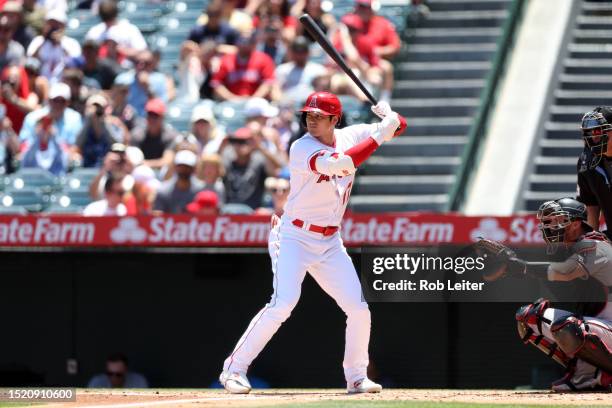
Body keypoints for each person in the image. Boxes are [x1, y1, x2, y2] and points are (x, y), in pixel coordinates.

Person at [218, 91, 406, 394]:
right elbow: (344, 165)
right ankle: (233, 370)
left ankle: (357, 377)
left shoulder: (351, 135)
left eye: (319, 116)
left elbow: (400, 127)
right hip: (294, 235)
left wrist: (391, 117)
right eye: (309, 115)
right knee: (283, 303)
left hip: (330, 240)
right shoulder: (301, 147)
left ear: (335, 119)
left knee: (359, 309)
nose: (311, 121)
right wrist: (382, 134)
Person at [474, 197, 612, 391]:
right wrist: (511, 269)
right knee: (530, 317)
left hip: (609, 327)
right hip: (600, 327)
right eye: (548, 222)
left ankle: (605, 373)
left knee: (567, 327)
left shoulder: (595, 244)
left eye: (557, 221)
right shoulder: (572, 248)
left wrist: (519, 266)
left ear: (575, 224)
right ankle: (585, 376)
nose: (550, 227)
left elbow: (565, 272)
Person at [221, 126, 283, 209]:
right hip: (228, 208)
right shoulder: (227, 157)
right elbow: (208, 171)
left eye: (244, 142)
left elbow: (277, 169)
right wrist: (221, 147)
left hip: (252, 210)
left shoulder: (259, 159)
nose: (240, 145)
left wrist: (260, 147)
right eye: (237, 141)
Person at [577, 107, 612, 238]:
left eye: (598, 131)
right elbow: (590, 207)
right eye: (589, 132)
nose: (594, 137)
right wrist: (591, 245)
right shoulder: (586, 163)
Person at [210, 32, 276, 102]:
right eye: (242, 41)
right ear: (237, 43)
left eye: (249, 42)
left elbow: (268, 83)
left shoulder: (264, 59)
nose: (245, 45)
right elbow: (217, 84)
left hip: (256, 102)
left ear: (255, 44)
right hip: (231, 102)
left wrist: (254, 98)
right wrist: (232, 98)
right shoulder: (226, 60)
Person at [19, 82, 82, 147]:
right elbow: (23, 145)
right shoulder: (33, 117)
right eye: (55, 100)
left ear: (68, 102)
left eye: (62, 101)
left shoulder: (75, 119)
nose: (58, 104)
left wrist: (55, 137)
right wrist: (37, 136)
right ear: (48, 100)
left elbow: (73, 148)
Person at [26, 10, 81, 83]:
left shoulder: (71, 43)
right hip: (41, 82)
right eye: (51, 24)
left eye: (57, 25)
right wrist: (44, 40)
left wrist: (60, 44)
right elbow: (30, 62)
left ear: (63, 26)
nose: (53, 27)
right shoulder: (38, 41)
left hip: (64, 83)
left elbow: (75, 65)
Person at [75, 93, 128, 168]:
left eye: (99, 107)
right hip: (87, 167)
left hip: (107, 168)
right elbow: (77, 143)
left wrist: (104, 123)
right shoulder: (83, 124)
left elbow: (117, 143)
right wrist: (89, 120)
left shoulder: (114, 123)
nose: (96, 110)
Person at [113, 50, 169, 117]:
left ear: (152, 64)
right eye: (137, 62)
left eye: (146, 63)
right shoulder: (122, 79)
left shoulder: (159, 79)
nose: (141, 66)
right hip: (126, 119)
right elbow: (114, 104)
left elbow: (161, 106)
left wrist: (147, 88)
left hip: (150, 120)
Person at [274, 36, 327, 103]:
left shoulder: (319, 70)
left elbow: (324, 92)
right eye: (296, 52)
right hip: (289, 106)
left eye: (302, 52)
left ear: (308, 52)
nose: (299, 55)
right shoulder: (282, 69)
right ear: (291, 52)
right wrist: (282, 101)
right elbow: (275, 90)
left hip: (312, 106)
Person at [129, 98, 178, 170]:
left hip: (162, 174)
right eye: (150, 115)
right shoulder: (137, 135)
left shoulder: (170, 136)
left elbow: (167, 162)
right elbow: (132, 160)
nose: (152, 119)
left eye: (155, 116)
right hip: (140, 173)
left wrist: (145, 164)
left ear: (162, 118)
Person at [154, 149, 204, 214]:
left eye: (187, 167)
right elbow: (158, 214)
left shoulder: (201, 191)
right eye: (181, 166)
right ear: (175, 167)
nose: (184, 170)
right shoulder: (163, 191)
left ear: (193, 169)